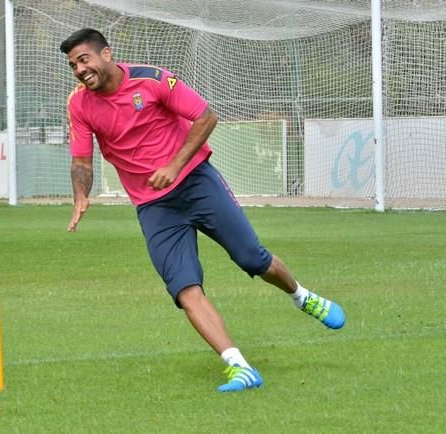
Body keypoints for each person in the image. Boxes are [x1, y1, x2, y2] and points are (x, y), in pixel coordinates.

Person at [60, 28, 346, 393]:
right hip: (154, 206)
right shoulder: (79, 104)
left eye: (84, 60)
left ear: (106, 54)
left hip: (197, 183)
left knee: (252, 259)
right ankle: (239, 367)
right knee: (184, 288)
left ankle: (303, 297)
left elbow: (206, 116)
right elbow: (81, 160)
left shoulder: (153, 79)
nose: (80, 70)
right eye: (73, 65)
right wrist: (81, 196)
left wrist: (175, 165)